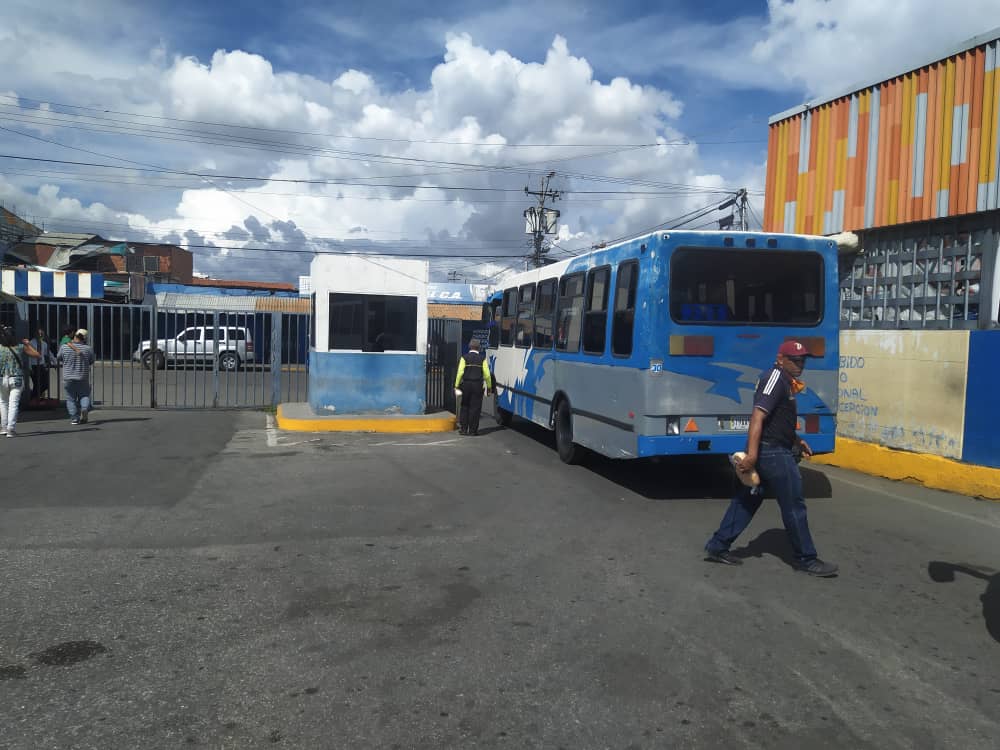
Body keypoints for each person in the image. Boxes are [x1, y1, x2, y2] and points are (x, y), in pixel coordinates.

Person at [704, 340, 838, 577]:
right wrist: (753, 455)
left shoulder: (786, 381)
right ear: (780, 359)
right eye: (795, 360)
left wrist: (796, 440)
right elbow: (758, 417)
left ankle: (718, 546)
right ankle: (807, 559)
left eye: (802, 360)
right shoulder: (775, 379)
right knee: (794, 504)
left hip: (775, 448)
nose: (800, 365)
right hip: (772, 453)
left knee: (747, 500)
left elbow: (778, 419)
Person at [0, 326, 42, 437]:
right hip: (16, 378)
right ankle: (11, 429)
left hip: (2, 378)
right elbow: (37, 355)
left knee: (3, 402)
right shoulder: (19, 347)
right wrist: (28, 344)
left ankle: (3, 427)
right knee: (13, 404)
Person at [57, 328, 96, 426]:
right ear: (85, 338)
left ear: (75, 336)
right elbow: (91, 361)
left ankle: (74, 418)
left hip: (68, 377)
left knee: (70, 398)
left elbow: (59, 357)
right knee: (84, 395)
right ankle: (84, 408)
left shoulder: (64, 347)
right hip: (82, 377)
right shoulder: (88, 349)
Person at [454, 338, 492, 436]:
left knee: (465, 406)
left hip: (466, 384)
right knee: (475, 408)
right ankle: (473, 431)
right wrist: (489, 386)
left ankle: (463, 429)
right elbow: (487, 375)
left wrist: (456, 385)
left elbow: (460, 373)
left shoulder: (464, 357)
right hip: (477, 385)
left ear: (469, 347)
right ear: (479, 348)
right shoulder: (482, 358)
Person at [28, 328, 58, 400]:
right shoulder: (31, 343)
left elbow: (49, 354)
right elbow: (28, 356)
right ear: (35, 334)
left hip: (41, 365)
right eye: (39, 334)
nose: (41, 335)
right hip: (34, 366)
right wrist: (30, 368)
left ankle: (34, 397)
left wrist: (55, 362)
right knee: (37, 383)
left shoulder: (44, 343)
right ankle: (35, 398)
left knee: (45, 384)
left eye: (42, 334)